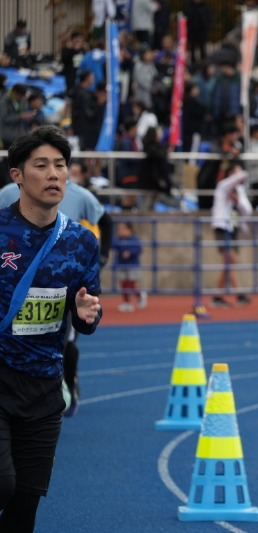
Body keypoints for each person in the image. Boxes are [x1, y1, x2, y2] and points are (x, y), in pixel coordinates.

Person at [0, 126, 102, 532]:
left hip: (44, 386)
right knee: (2, 485)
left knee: (25, 506)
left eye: (60, 165)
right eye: (41, 165)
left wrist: (87, 314)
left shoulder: (82, 242)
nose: (54, 174)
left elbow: (87, 315)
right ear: (18, 175)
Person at [210, 165, 253, 308]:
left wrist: (237, 201)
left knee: (230, 263)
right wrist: (239, 171)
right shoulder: (222, 186)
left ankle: (218, 296)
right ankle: (239, 294)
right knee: (230, 260)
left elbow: (247, 210)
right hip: (222, 227)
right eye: (235, 172)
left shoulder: (239, 191)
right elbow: (243, 175)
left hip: (233, 228)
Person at [112, 222, 146, 312]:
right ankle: (127, 303)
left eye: (123, 229)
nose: (120, 231)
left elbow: (139, 248)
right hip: (122, 265)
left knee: (130, 284)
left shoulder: (134, 239)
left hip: (132, 265)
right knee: (123, 284)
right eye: (119, 229)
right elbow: (113, 245)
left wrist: (130, 252)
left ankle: (140, 295)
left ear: (129, 230)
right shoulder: (118, 240)